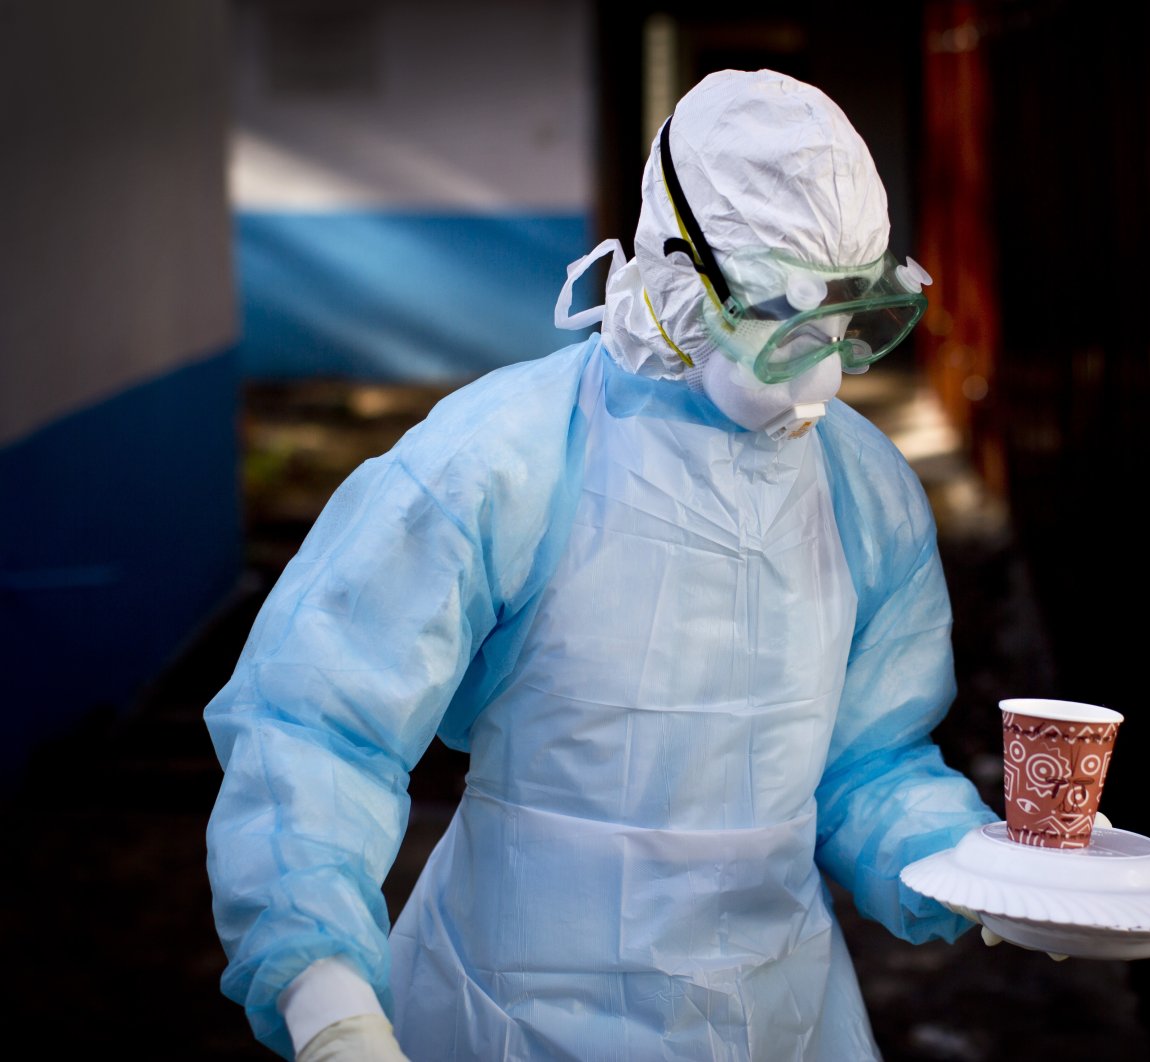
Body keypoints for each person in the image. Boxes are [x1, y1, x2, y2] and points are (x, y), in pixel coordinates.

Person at [205, 68, 1004, 1062]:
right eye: (784, 320)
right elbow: (316, 729)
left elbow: (867, 758)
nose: (821, 370)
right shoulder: (504, 458)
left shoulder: (861, 488)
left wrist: (977, 875)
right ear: (679, 280)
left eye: (848, 321)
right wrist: (326, 998)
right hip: (508, 1012)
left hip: (779, 1013)